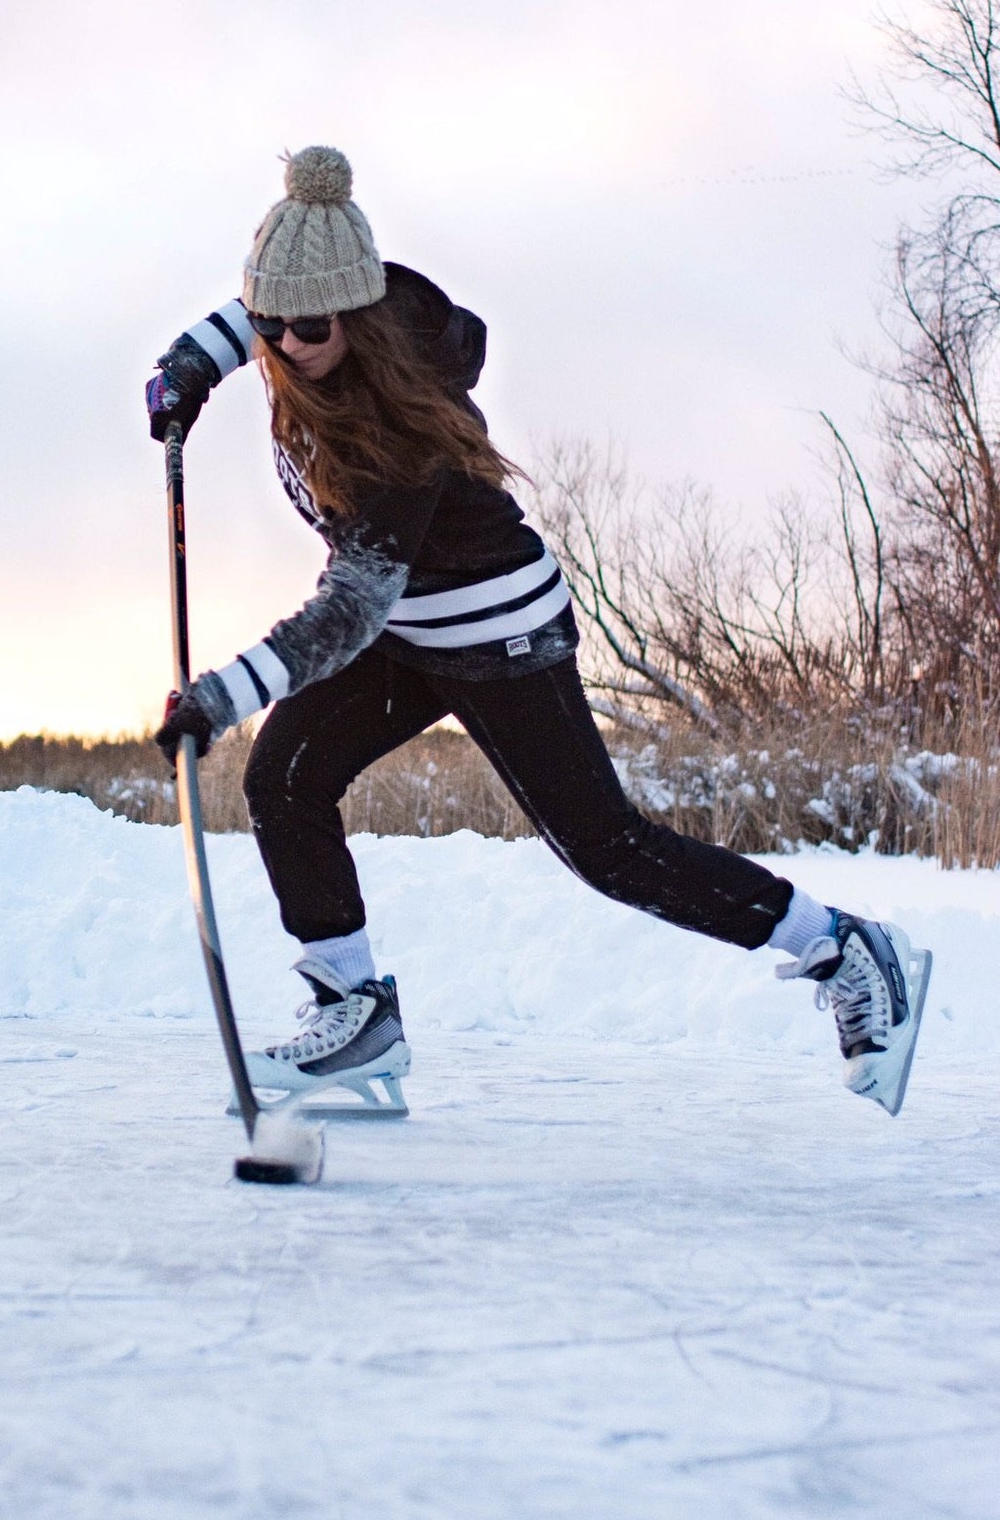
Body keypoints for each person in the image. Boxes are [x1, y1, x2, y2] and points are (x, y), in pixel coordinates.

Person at [146, 146, 931, 1119]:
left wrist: (222, 696)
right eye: (266, 323)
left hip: (494, 632)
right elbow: (259, 316)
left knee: (610, 851)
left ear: (355, 317)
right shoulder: (299, 321)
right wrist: (191, 365)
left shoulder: (395, 426)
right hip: (405, 628)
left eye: (303, 330)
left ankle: (846, 948)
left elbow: (350, 611)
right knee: (287, 776)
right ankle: (354, 1012)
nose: (280, 345)